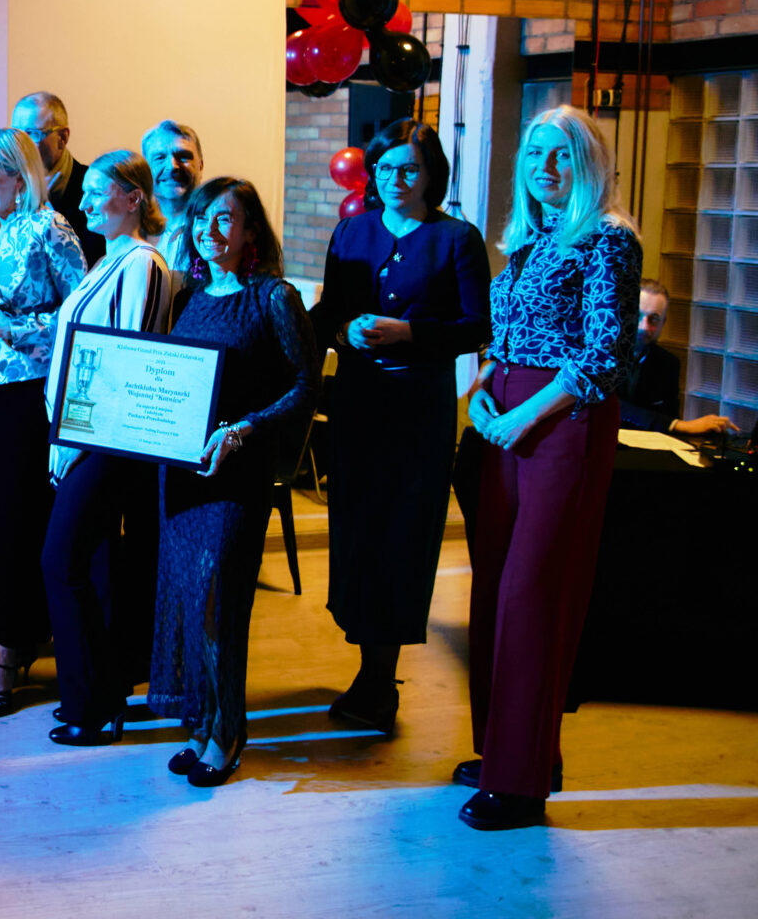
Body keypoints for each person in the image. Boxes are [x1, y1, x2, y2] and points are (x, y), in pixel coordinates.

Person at [459, 105, 641, 831]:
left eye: (562, 154)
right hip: (505, 417)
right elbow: (507, 336)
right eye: (535, 154)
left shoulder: (608, 239)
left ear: (589, 164)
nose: (545, 168)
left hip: (562, 423)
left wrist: (521, 415)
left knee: (534, 595)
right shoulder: (531, 238)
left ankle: (520, 783)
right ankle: (510, 753)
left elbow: (602, 356)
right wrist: (482, 389)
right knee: (493, 592)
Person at [310, 120, 491, 736]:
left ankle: (380, 676)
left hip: (418, 412)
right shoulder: (352, 231)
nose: (396, 180)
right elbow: (330, 313)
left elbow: (477, 327)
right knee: (357, 529)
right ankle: (368, 662)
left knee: (402, 535)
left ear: (431, 174)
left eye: (409, 169)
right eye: (385, 169)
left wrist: (409, 332)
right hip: (359, 403)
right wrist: (345, 330)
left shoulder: (456, 238)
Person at [153, 176, 319, 786]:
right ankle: (202, 722)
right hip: (184, 473)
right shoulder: (189, 297)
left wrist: (246, 427)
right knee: (188, 600)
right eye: (201, 219)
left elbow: (305, 386)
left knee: (219, 603)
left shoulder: (274, 297)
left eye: (225, 219)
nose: (210, 230)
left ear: (251, 231)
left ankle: (228, 732)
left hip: (238, 474)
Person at [0, 128, 86, 718]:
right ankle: (16, 631)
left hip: (30, 389)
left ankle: (13, 649)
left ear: (19, 176)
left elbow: (82, 314)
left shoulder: (51, 228)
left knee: (20, 518)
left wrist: (11, 328)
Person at [40, 150, 173, 746]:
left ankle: (93, 707)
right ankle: (95, 697)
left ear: (134, 198)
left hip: (106, 442)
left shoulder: (141, 262)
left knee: (61, 563)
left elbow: (128, 361)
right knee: (84, 566)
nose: (87, 201)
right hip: (81, 435)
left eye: (99, 191)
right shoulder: (107, 260)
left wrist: (77, 441)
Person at [621, 278, 738, 437]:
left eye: (654, 319)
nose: (644, 326)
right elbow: (614, 408)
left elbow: (669, 420)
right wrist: (678, 425)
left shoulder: (667, 364)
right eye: (638, 315)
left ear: (663, 323)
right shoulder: (596, 355)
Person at [12, 91, 104, 266]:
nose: (21, 144)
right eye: (17, 134)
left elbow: (95, 257)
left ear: (63, 138)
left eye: (32, 134)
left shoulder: (93, 188)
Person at [141, 119, 204, 277]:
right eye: (159, 158)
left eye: (183, 156)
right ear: (145, 169)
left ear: (201, 166)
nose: (172, 166)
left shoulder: (216, 231)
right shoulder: (129, 228)